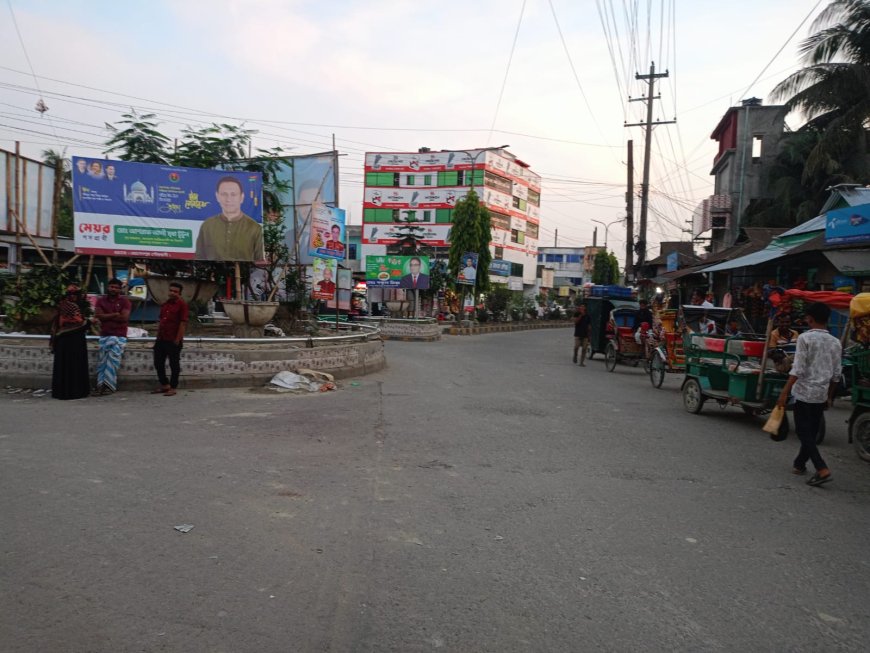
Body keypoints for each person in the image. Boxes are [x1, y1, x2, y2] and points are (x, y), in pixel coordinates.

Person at [776, 302, 842, 487]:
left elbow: (797, 369)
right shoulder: (836, 342)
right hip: (821, 393)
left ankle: (822, 468)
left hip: (804, 392)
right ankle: (799, 464)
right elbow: (836, 374)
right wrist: (829, 396)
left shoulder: (805, 338)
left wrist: (784, 392)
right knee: (811, 432)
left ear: (810, 318)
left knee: (804, 432)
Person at [195, 176, 264, 261]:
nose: (228, 199)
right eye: (224, 194)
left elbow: (259, 261)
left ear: (241, 197)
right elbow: (199, 258)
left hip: (244, 274)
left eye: (233, 194)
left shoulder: (255, 228)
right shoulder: (207, 226)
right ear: (217, 196)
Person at [50, 284, 90, 400]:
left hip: (63, 341)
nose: (73, 297)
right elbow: (80, 322)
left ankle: (62, 392)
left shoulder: (62, 305)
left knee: (65, 366)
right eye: (71, 294)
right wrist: (89, 322)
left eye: (75, 294)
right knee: (74, 366)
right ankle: (75, 392)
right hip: (73, 341)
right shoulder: (73, 307)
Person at [94, 278, 131, 395]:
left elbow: (124, 318)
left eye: (116, 287)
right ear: (107, 287)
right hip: (105, 335)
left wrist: (106, 316)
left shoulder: (125, 302)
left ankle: (108, 386)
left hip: (119, 336)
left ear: (120, 289)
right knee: (102, 361)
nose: (113, 289)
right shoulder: (100, 300)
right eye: (111, 287)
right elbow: (98, 316)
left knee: (113, 360)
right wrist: (115, 314)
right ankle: (100, 385)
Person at [152, 281, 188, 397]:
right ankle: (164, 385)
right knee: (158, 362)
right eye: (171, 290)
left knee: (174, 364)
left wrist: (178, 340)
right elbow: (161, 322)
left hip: (173, 339)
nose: (172, 293)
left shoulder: (182, 305)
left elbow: (183, 324)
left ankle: (173, 387)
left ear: (180, 293)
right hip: (161, 338)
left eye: (175, 291)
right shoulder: (165, 304)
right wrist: (157, 337)